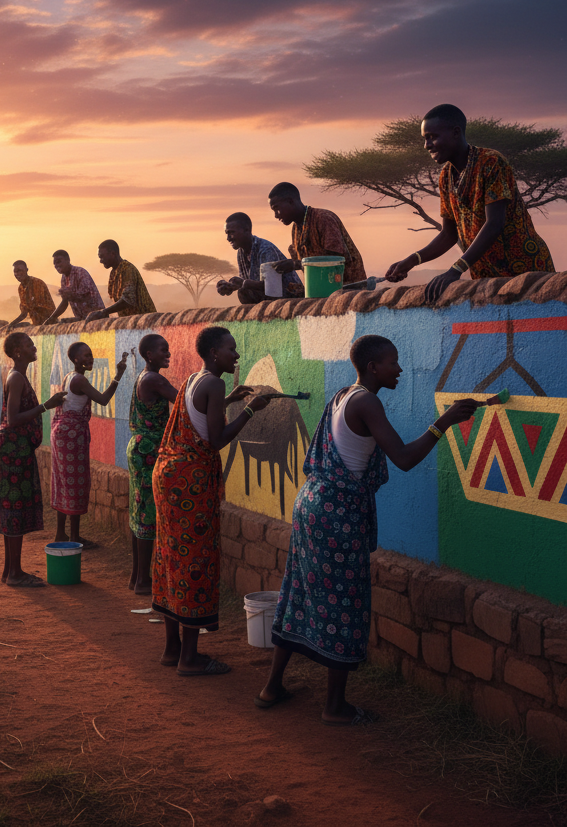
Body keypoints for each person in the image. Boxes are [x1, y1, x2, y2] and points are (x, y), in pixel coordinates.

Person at [256, 335, 480, 724]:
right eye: (393, 362)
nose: (399, 369)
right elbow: (405, 458)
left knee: (299, 593)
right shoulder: (366, 401)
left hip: (312, 503)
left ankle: (272, 686)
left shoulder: (345, 394)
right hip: (336, 514)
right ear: (373, 367)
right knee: (343, 602)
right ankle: (335, 707)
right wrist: (445, 422)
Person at [152, 326, 269, 675]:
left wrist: (230, 402)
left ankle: (172, 650)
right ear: (214, 353)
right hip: (191, 483)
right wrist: (250, 410)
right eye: (230, 349)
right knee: (195, 561)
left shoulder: (194, 379)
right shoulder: (215, 383)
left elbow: (199, 416)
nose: (236, 355)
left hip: (169, 476)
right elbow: (216, 439)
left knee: (171, 557)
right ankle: (190, 658)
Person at [384, 104, 554, 304]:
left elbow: (494, 224)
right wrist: (411, 261)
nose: (427, 145)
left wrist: (456, 270)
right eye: (425, 139)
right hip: (486, 276)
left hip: (524, 270)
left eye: (432, 136)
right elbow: (449, 234)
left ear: (456, 132)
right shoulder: (446, 176)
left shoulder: (491, 162)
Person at [0, 332, 66, 587]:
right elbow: (13, 418)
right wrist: (47, 405)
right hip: (13, 450)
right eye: (28, 344)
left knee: (14, 509)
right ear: (17, 352)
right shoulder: (15, 378)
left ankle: (10, 570)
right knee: (14, 509)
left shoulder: (19, 377)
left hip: (17, 449)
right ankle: (14, 573)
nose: (34, 347)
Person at [50, 342, 128, 546]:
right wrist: (118, 375)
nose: (90, 358)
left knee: (63, 482)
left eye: (91, 355)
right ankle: (74, 537)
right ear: (76, 359)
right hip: (71, 436)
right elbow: (103, 400)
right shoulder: (79, 380)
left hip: (62, 433)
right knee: (75, 483)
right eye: (85, 356)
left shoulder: (68, 376)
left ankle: (61, 534)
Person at [126, 334, 177, 595]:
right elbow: (184, 404)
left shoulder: (143, 376)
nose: (167, 353)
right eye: (162, 350)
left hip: (139, 447)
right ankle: (143, 580)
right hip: (149, 450)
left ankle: (137, 577)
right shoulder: (154, 379)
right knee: (147, 512)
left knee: (140, 509)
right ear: (148, 355)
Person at [267, 184, 366, 294]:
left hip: (349, 289)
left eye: (277, 209)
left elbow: (334, 262)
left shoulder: (324, 219)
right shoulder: (296, 228)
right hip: (321, 291)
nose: (276, 215)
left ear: (290, 201)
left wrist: (295, 264)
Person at [216, 212, 301, 303]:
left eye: (231, 233)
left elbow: (272, 287)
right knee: (243, 292)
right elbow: (249, 283)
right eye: (227, 233)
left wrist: (243, 283)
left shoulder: (265, 250)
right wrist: (231, 286)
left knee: (244, 290)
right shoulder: (241, 252)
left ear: (247, 230)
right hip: (268, 295)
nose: (228, 238)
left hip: (289, 294)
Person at [83, 239, 156, 323]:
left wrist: (103, 312)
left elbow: (127, 300)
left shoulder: (127, 269)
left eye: (102, 256)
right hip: (133, 322)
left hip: (146, 321)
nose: (100, 260)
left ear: (113, 254)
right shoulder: (114, 273)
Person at [45, 250, 104, 323]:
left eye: (59, 261)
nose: (56, 265)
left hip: (97, 317)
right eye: (55, 263)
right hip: (83, 319)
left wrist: (70, 295)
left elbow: (86, 297)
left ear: (68, 260)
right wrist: (52, 318)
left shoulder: (80, 273)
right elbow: (65, 302)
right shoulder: (64, 278)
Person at [7, 261, 56, 327]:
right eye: (15, 271)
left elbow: (38, 308)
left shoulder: (37, 283)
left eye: (20, 270)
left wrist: (28, 307)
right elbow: (24, 313)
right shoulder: (21, 288)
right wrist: (11, 324)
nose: (17, 274)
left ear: (27, 270)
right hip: (37, 325)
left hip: (49, 322)